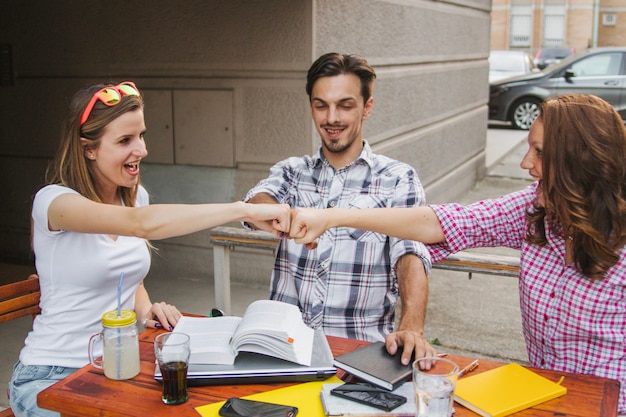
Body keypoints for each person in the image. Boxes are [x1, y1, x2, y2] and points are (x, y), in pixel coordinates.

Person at [289, 93, 626, 415]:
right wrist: (333, 217)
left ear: (581, 163)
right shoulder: (535, 209)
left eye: (539, 152)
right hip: (539, 399)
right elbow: (446, 223)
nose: (526, 163)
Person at [8, 81, 290, 417]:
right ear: (88, 148)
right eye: (125, 140)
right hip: (52, 376)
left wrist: (147, 311)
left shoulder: (133, 195)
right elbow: (143, 223)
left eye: (141, 135)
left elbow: (130, 278)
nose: (141, 149)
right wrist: (243, 209)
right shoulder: (54, 203)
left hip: (119, 369)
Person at [243, 52, 436, 364]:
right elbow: (256, 200)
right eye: (321, 105)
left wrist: (411, 327)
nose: (332, 118)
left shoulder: (397, 179)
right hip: (284, 350)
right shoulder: (293, 172)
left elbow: (410, 253)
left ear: (366, 107)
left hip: (362, 354)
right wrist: (280, 214)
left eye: (345, 105)